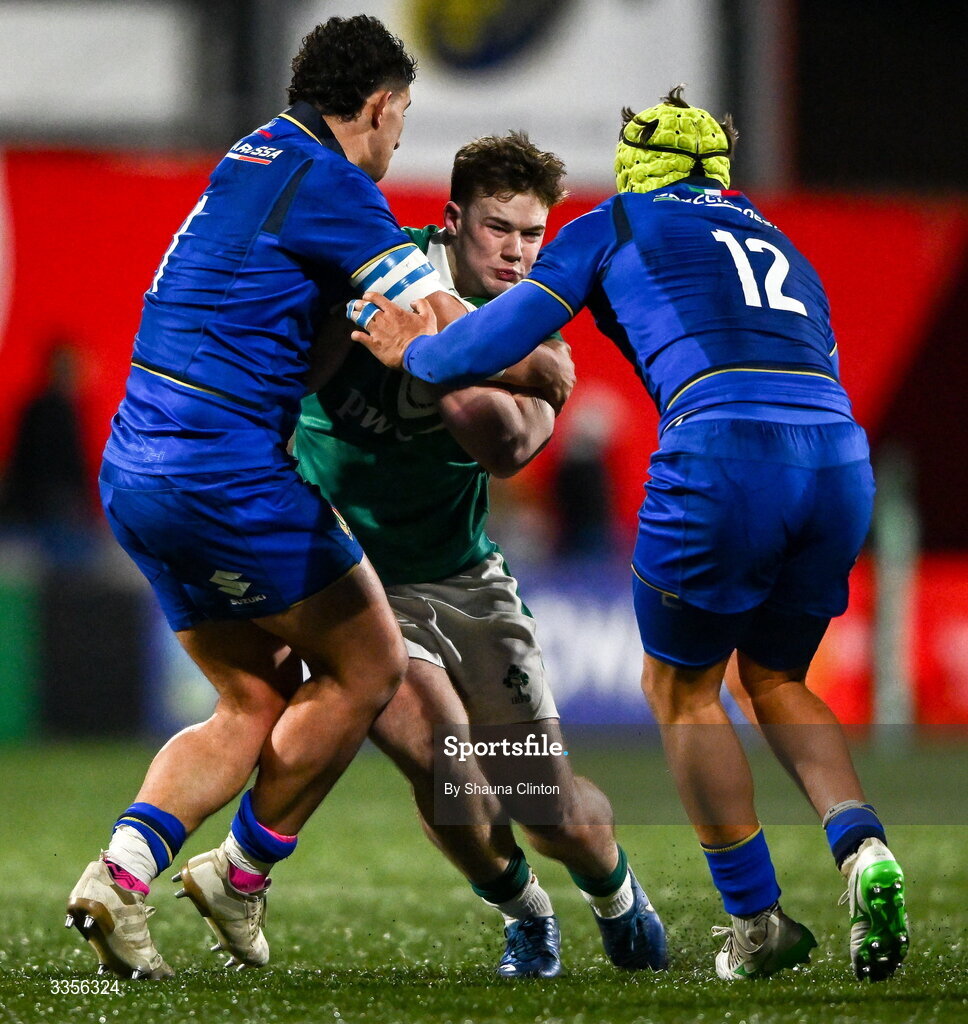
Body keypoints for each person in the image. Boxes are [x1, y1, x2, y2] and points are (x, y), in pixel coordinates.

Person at [349, 87, 909, 982]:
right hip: (841, 459)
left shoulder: (613, 223)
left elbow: (486, 341)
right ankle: (863, 849)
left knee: (683, 691)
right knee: (775, 677)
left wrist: (410, 350)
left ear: (636, 165)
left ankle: (756, 919)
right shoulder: (780, 241)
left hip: (723, 448)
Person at [63, 15, 565, 980]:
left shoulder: (251, 153)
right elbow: (441, 323)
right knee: (370, 666)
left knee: (251, 695)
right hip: (224, 463)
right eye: (402, 121)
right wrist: (545, 365)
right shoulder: (336, 187)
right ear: (377, 106)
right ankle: (243, 876)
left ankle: (120, 880)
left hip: (135, 463)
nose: (398, 142)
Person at [294, 131, 667, 978]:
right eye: (499, 228)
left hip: (465, 580)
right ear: (454, 219)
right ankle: (527, 916)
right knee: (443, 762)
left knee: (547, 805)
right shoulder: (380, 271)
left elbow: (505, 446)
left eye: (534, 235)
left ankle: (614, 892)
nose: (517, 251)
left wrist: (429, 354)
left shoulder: (535, 323)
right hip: (355, 584)